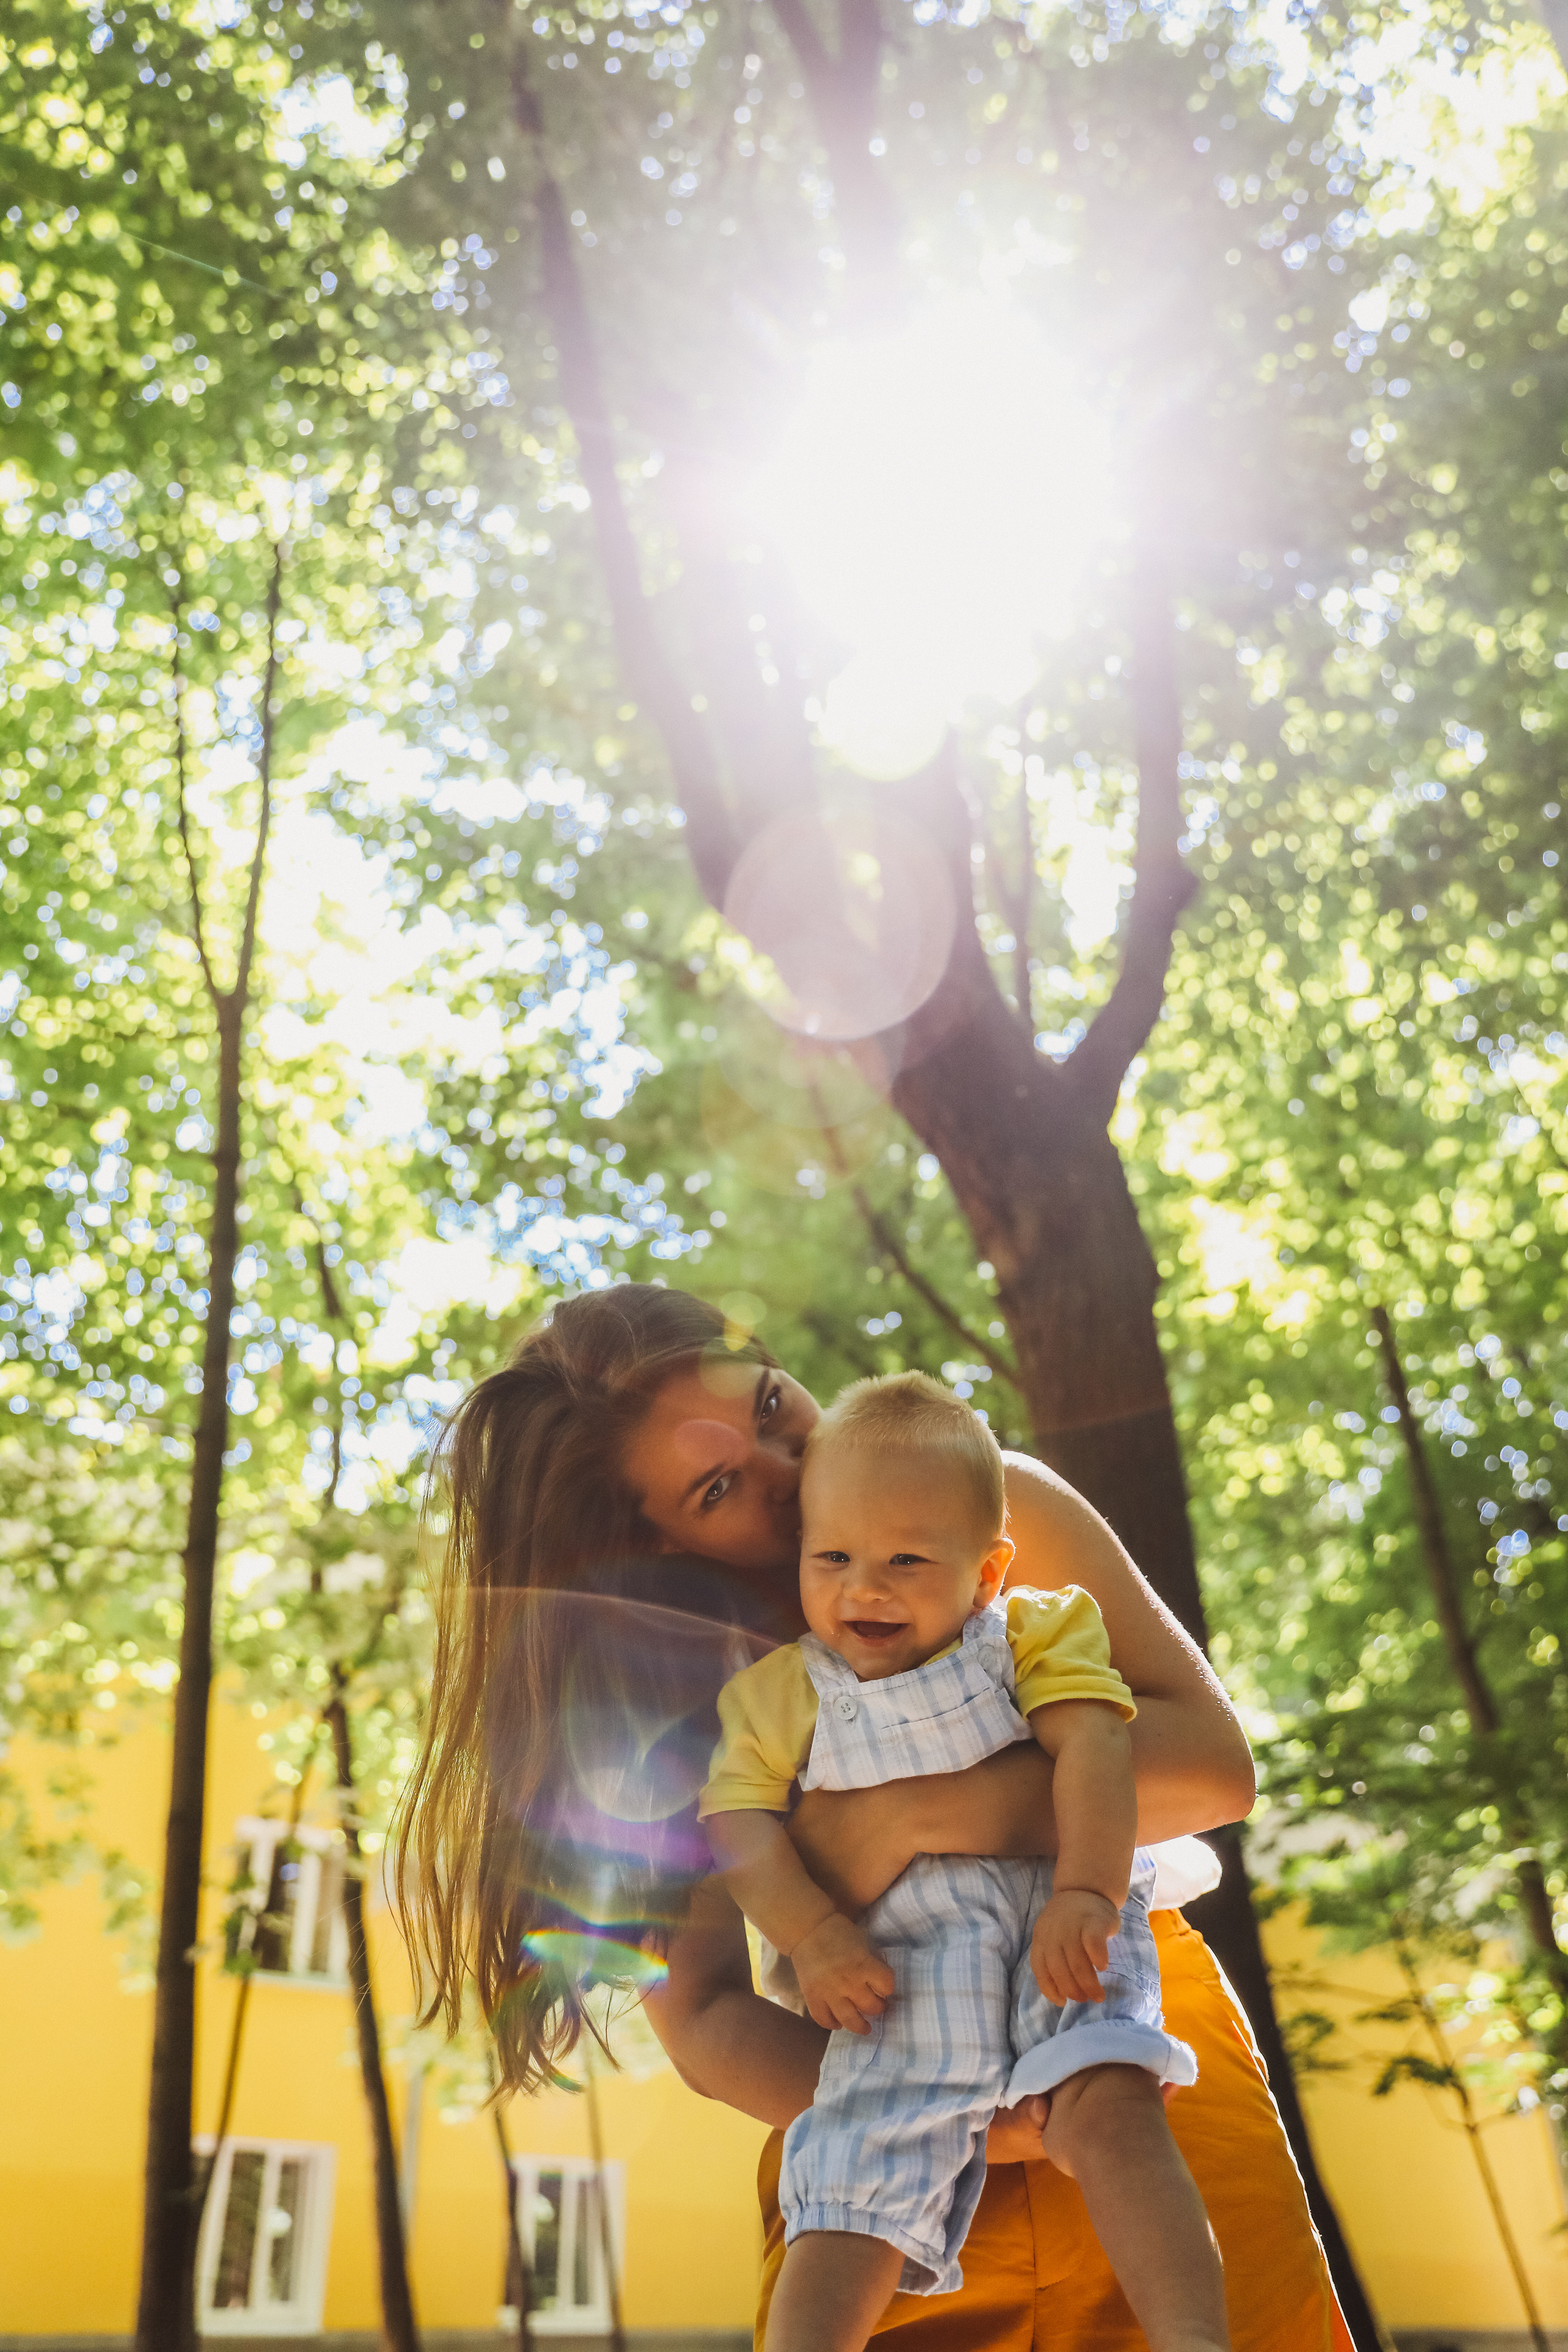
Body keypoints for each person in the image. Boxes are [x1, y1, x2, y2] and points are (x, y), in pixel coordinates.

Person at [396, 1283, 1347, 2352]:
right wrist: (951, 2110)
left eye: (768, 1406)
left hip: (1124, 2053)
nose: (790, 1469)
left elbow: (1214, 1769)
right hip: (875, 2131)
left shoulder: (986, 1508)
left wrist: (911, 1817)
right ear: (653, 1541)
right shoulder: (672, 1699)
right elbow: (705, 2019)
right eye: (719, 1488)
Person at [701, 1372, 1224, 2352]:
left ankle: (1196, 2336)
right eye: (835, 1558)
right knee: (848, 2180)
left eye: (908, 1559)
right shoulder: (780, 1692)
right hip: (903, 1974)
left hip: (1054, 1930)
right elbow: (734, 1820)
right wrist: (810, 1938)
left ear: (987, 1573)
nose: (866, 1587)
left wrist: (1088, 1890)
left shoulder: (1032, 1632)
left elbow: (1099, 1749)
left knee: (1113, 2104)